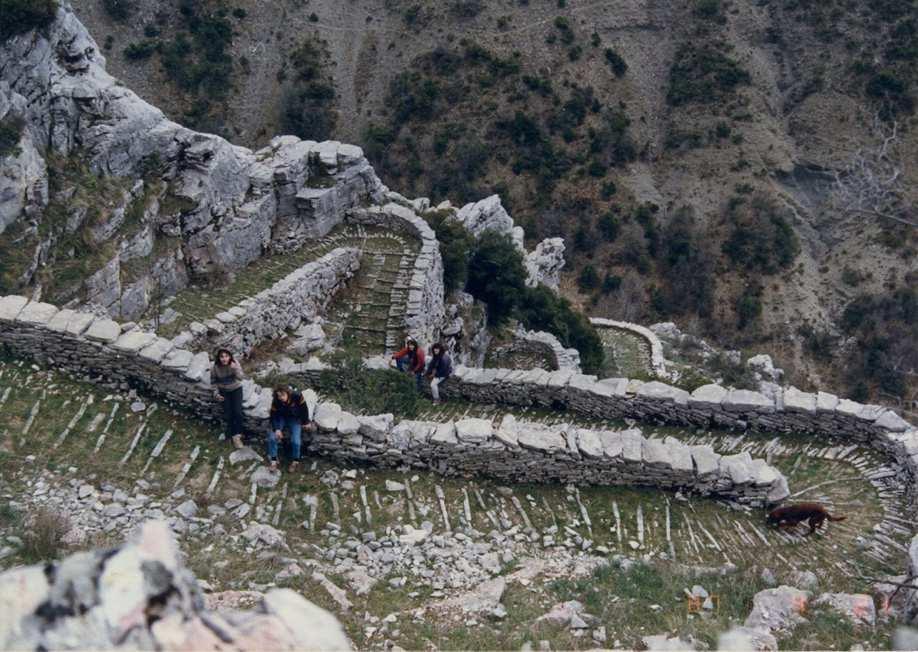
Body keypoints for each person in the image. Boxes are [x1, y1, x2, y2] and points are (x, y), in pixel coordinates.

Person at [268, 386, 312, 472]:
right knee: (272, 438)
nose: (281, 398)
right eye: (279, 396)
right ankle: (273, 460)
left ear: (287, 393)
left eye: (283, 395)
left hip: (294, 418)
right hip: (281, 418)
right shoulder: (276, 400)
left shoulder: (297, 396)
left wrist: (306, 422)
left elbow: (304, 408)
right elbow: (273, 415)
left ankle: (295, 461)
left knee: (295, 441)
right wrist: (277, 428)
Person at [210, 348, 245, 449]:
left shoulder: (235, 363)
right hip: (224, 391)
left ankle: (236, 436)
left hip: (236, 389)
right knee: (228, 414)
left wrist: (235, 369)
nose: (224, 359)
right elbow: (213, 382)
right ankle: (232, 434)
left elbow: (241, 378)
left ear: (230, 357)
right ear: (219, 358)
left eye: (226, 356)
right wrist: (216, 394)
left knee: (238, 412)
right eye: (222, 357)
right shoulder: (214, 367)